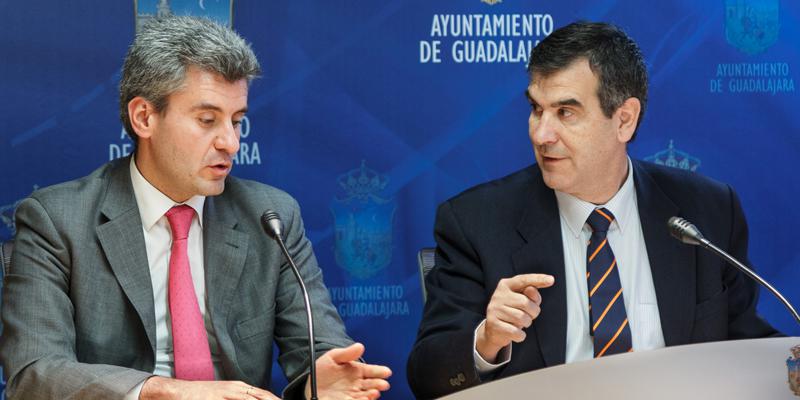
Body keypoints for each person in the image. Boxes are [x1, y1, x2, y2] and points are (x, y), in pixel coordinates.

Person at [0, 16, 391, 400]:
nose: (230, 143)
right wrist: (163, 391)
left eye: (237, 121)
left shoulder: (270, 216)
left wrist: (320, 381)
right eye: (207, 120)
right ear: (144, 117)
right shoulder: (57, 221)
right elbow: (34, 373)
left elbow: (319, 349)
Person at [406, 21, 780, 399]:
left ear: (624, 119)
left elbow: (744, 343)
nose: (541, 134)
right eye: (536, 109)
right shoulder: (476, 222)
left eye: (566, 112)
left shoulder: (706, 210)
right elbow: (427, 376)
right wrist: (486, 341)